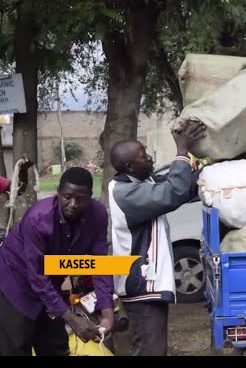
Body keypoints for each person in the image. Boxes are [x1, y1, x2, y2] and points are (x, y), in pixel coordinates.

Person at [108, 119, 206, 356]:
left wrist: (211, 169)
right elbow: (174, 192)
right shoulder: (125, 193)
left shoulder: (140, 182)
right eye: (143, 155)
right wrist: (181, 151)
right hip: (141, 287)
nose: (150, 157)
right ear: (130, 166)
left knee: (152, 348)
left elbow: (183, 187)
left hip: (145, 284)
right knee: (150, 350)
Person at [0, 167, 113, 356]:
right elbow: (37, 276)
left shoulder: (98, 215)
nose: (73, 204)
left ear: (90, 196)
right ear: (58, 193)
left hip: (51, 282)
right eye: (67, 196)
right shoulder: (39, 219)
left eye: (81, 198)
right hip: (16, 282)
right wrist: (71, 319)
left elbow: (99, 263)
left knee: (55, 346)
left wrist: (107, 313)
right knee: (16, 345)